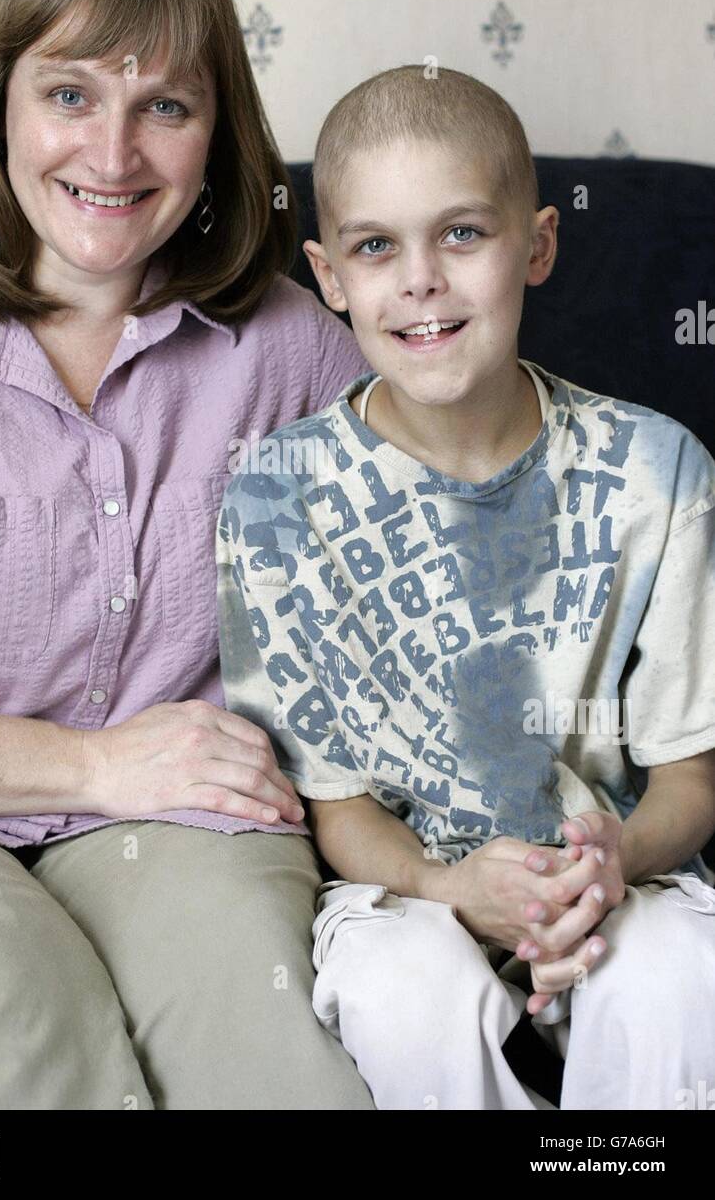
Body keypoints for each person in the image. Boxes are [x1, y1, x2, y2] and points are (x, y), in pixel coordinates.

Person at [0, 0, 377, 1110]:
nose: (115, 151)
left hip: (177, 824)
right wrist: (93, 763)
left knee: (261, 1033)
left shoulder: (291, 349)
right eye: (71, 94)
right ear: (0, 106)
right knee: (7, 1015)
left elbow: (413, 599)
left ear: (216, 137)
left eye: (166, 107)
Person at [216, 64, 715, 1110]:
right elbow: (338, 809)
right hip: (406, 893)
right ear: (328, 275)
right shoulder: (276, 495)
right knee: (403, 988)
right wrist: (451, 889)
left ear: (533, 245)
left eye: (460, 235)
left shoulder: (657, 471)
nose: (420, 282)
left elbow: (688, 785)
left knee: (678, 964)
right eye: (374, 247)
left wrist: (610, 856)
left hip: (615, 880)